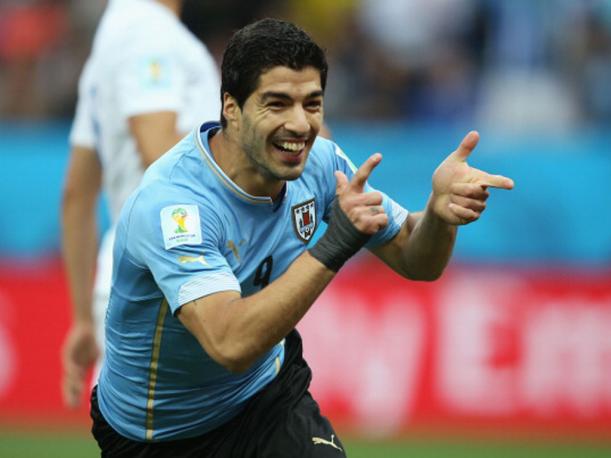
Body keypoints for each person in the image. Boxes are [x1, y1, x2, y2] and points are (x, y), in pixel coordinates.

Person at [90, 18, 514, 457]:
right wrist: (334, 244)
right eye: (277, 104)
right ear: (231, 107)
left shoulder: (320, 164)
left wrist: (440, 214)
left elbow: (415, 257)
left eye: (312, 104)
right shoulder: (176, 207)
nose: (300, 124)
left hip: (265, 395)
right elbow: (228, 343)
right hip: (159, 434)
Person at [61, 0, 220, 408]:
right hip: (171, 272)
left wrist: (82, 319)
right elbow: (157, 149)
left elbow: (76, 193)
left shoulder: (113, 39)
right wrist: (255, 151)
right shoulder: (147, 31)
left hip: (132, 275)